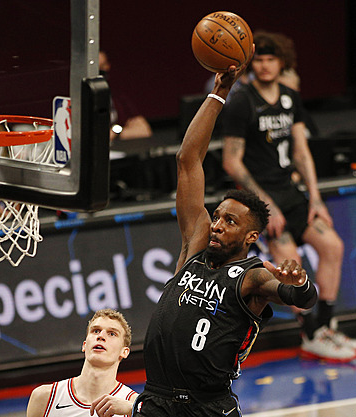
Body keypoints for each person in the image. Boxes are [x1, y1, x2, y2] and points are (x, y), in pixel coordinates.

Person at [132, 60, 318, 417]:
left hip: (207, 407)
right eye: (216, 216)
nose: (216, 224)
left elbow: (302, 299)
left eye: (229, 221)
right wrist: (219, 92)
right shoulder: (195, 248)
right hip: (154, 401)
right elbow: (188, 160)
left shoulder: (253, 276)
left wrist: (302, 281)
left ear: (251, 235)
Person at [220, 31, 356, 362]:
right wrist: (265, 203)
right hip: (260, 197)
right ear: (250, 63)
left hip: (292, 192)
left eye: (271, 59)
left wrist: (315, 198)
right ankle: (311, 332)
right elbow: (231, 161)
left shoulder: (289, 97)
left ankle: (326, 327)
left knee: (333, 246)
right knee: (290, 265)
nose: (265, 65)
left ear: (283, 62)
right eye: (259, 59)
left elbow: (301, 150)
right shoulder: (242, 101)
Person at [27, 309, 138, 417]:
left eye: (112, 334)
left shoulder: (133, 405)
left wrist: (132, 410)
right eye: (96, 331)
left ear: (124, 352)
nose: (101, 336)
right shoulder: (44, 397)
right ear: (84, 345)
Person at [99, 51, 152, 142]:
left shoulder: (118, 98)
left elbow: (144, 130)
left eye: (102, 66)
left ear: (108, 66)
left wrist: (115, 132)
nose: (100, 72)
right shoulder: (78, 100)